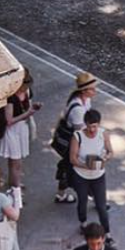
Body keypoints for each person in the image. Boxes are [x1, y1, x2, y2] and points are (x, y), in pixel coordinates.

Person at [52, 72, 98, 204]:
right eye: (93, 89)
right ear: (84, 91)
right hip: (75, 145)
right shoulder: (77, 110)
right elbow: (80, 133)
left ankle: (61, 195)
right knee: (87, 169)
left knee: (68, 169)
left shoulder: (85, 100)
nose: (95, 91)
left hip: (74, 144)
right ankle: (96, 198)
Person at [69, 109, 114, 237]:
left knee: (101, 205)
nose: (92, 130)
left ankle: (107, 232)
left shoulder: (103, 134)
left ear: (99, 124)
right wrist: (86, 165)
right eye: (90, 126)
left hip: (98, 175)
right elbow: (73, 158)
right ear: (85, 124)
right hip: (81, 175)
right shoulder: (77, 136)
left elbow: (110, 151)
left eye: (95, 126)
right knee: (82, 201)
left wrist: (106, 158)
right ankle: (83, 223)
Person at [0, 69, 42, 191]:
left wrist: (32, 108)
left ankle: (13, 183)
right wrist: (28, 113)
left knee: (15, 161)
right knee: (16, 162)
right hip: (12, 131)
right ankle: (15, 187)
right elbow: (9, 120)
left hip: (22, 128)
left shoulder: (27, 92)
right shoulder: (11, 98)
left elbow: (27, 106)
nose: (26, 89)